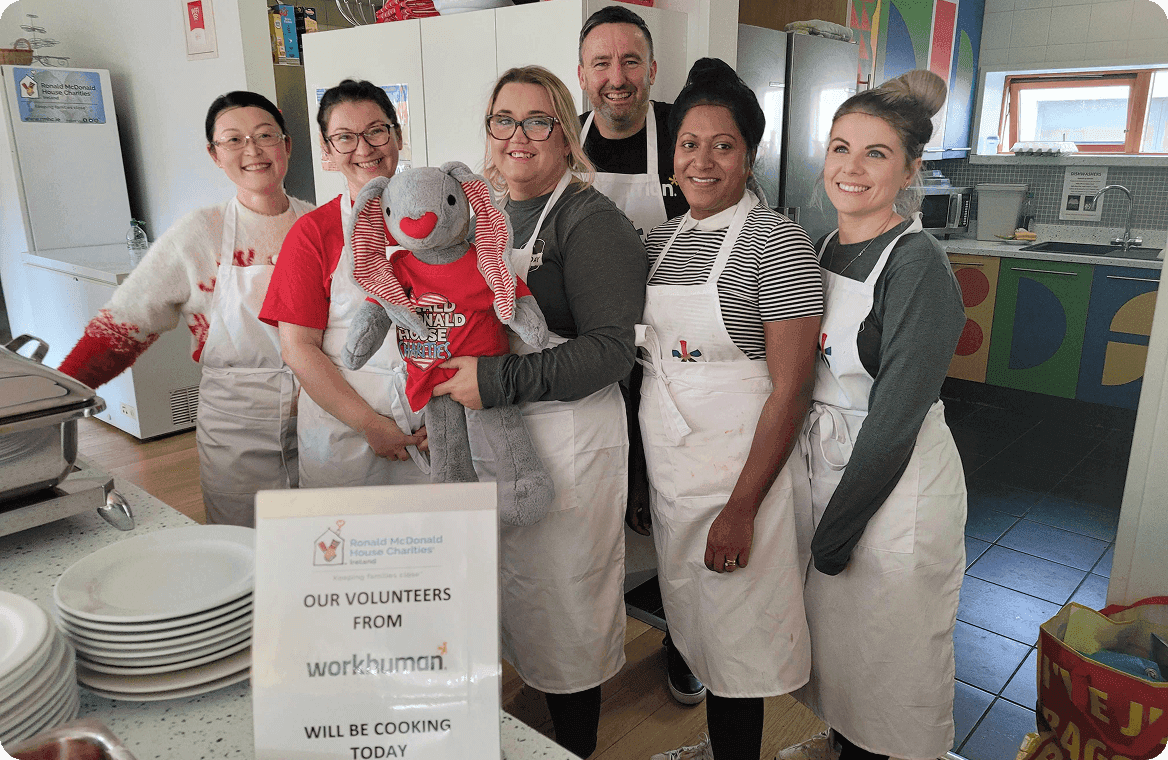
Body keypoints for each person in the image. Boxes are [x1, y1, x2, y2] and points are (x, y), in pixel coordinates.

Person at [432, 66, 646, 759]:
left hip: (569, 441)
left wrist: (495, 381)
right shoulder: (480, 214)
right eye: (503, 119)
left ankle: (575, 744)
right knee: (511, 595)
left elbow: (611, 352)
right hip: (498, 439)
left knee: (564, 603)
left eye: (536, 121)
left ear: (565, 134)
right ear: (488, 132)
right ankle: (530, 719)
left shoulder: (591, 221)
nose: (517, 136)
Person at [780, 70, 967, 760]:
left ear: (911, 169)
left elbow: (894, 420)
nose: (850, 168)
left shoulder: (916, 265)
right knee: (843, 651)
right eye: (839, 148)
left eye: (876, 153)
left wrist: (836, 530)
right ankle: (839, 744)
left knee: (889, 660)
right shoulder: (823, 248)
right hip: (833, 470)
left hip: (892, 487)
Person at [640, 58, 822, 760]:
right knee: (696, 627)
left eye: (723, 145)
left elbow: (791, 390)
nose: (703, 159)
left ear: (749, 154)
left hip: (742, 479)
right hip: (675, 474)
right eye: (689, 144)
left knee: (739, 648)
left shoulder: (777, 243)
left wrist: (741, 508)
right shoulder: (662, 242)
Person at [58, 91, 313, 527]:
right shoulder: (199, 233)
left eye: (265, 135)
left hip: (319, 416)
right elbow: (124, 322)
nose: (252, 150)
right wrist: (60, 400)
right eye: (233, 140)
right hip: (237, 427)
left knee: (319, 538)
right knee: (244, 546)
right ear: (215, 155)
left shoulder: (317, 224)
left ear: (287, 145)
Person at [576, 3, 702, 706]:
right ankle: (591, 646)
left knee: (677, 508)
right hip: (595, 358)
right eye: (602, 62)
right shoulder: (568, 144)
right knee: (600, 506)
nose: (617, 78)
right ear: (583, 74)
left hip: (674, 358)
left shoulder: (684, 140)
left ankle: (689, 646)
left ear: (652, 70)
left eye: (631, 62)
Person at [260, 79, 429, 489]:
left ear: (398, 135)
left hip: (433, 433)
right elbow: (298, 348)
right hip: (347, 438)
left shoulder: (438, 222)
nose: (365, 149)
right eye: (345, 138)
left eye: (376, 130)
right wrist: (369, 423)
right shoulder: (313, 233)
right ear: (327, 151)